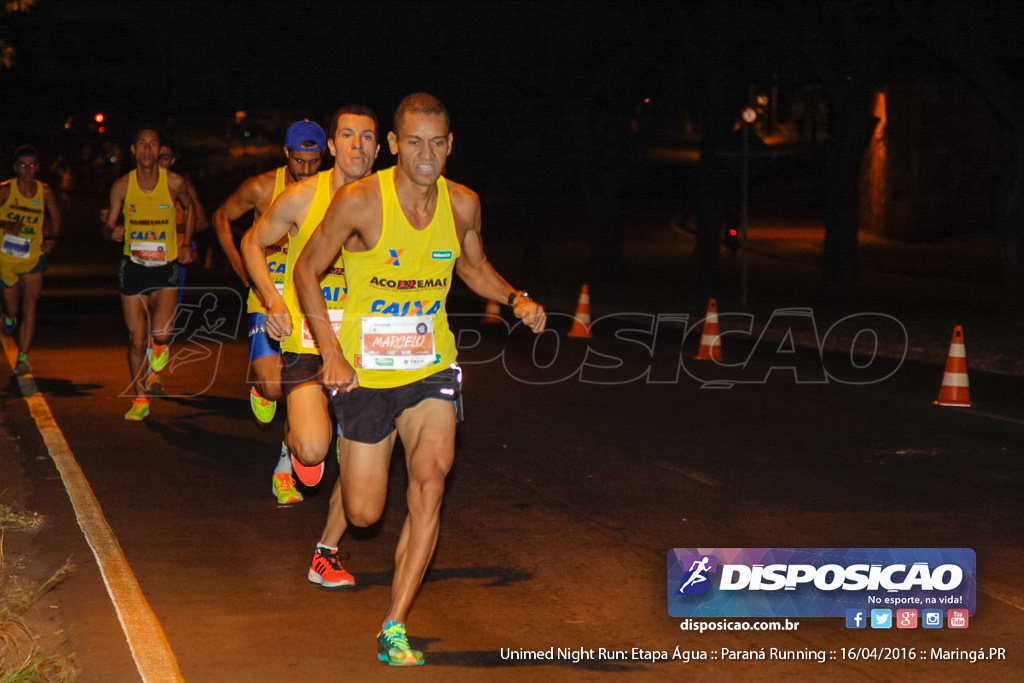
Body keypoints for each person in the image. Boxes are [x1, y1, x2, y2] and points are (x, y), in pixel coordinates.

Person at [293, 93, 546, 667]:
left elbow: (471, 265)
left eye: (436, 143)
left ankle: (395, 625)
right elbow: (306, 267)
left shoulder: (462, 205)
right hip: (365, 377)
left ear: (450, 145)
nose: (425, 154)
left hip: (432, 369)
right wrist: (330, 352)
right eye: (413, 142)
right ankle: (342, 456)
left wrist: (514, 298)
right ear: (393, 145)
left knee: (430, 486)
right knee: (364, 515)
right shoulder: (361, 201)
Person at [242, 107, 378, 519]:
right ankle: (300, 438)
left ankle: (337, 420)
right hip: (306, 338)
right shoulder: (303, 196)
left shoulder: (389, 200)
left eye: (367, 137)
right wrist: (274, 300)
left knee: (365, 471)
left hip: (361, 344)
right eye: (348, 135)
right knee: (313, 451)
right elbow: (251, 242)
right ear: (332, 146)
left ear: (378, 149)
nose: (357, 144)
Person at [218, 119, 328, 504]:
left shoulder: (331, 193)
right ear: (286, 154)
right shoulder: (262, 188)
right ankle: (262, 389)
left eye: (314, 162)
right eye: (299, 161)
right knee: (273, 387)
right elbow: (222, 217)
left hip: (310, 303)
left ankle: (285, 468)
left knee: (302, 390)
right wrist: (239, 264)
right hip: (267, 299)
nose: (306, 170)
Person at [102, 126, 195, 420]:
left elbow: (190, 209)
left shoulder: (175, 183)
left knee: (162, 334)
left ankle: (160, 346)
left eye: (153, 145)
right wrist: (110, 231)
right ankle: (141, 397)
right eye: (141, 144)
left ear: (159, 151)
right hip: (133, 267)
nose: (147, 150)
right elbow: (106, 228)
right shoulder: (121, 186)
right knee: (136, 339)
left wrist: (187, 245)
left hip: (165, 266)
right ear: (133, 150)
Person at [1, 145, 62, 375]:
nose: (28, 171)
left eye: (32, 166)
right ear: (16, 167)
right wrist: (6, 224)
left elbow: (55, 217)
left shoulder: (44, 192)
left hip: (33, 256)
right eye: (23, 166)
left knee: (30, 306)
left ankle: (23, 356)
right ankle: (7, 315)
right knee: (13, 309)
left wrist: (52, 240)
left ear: (38, 167)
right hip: (6, 259)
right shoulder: (6, 191)